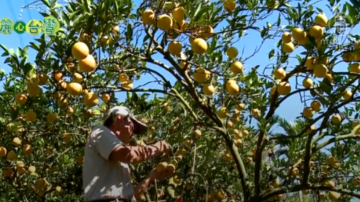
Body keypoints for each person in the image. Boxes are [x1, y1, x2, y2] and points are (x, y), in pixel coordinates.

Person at [83, 105, 172, 202]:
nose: (133, 133)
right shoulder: (100, 132)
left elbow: (130, 196)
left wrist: (152, 176)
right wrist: (157, 147)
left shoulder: (119, 158)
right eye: (132, 126)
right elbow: (130, 155)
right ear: (120, 118)